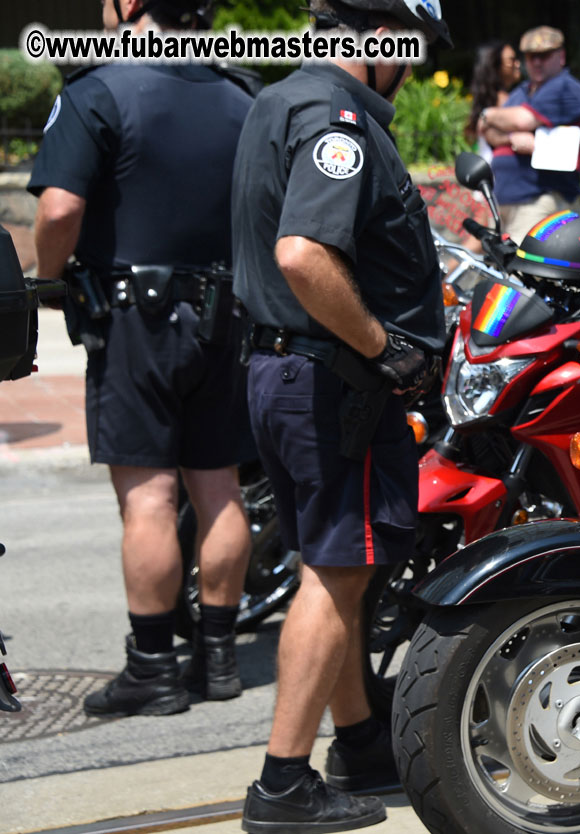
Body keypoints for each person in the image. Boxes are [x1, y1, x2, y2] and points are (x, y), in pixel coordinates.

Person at [230, 0, 448, 830]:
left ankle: (359, 742)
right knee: (340, 572)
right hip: (333, 384)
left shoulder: (277, 99)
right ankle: (282, 784)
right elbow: (302, 252)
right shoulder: (336, 116)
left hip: (283, 373)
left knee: (336, 563)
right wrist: (383, 345)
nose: (416, 65)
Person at [28, 0, 254, 718]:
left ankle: (153, 669)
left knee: (151, 496)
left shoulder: (97, 88)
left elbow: (60, 210)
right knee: (217, 486)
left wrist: (47, 281)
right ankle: (217, 658)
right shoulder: (242, 95)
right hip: (224, 314)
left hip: (137, 321)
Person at [479, 25, 580, 242]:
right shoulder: (522, 91)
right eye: (531, 57)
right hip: (508, 200)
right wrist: (512, 137)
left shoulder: (564, 87)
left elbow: (522, 119)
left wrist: (491, 114)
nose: (537, 62)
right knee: (503, 271)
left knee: (523, 271)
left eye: (544, 55)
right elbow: (487, 130)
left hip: (541, 199)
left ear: (561, 56)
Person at [465, 39, 522, 163]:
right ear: (495, 67)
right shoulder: (505, 101)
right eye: (511, 60)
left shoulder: (486, 100)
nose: (517, 64)